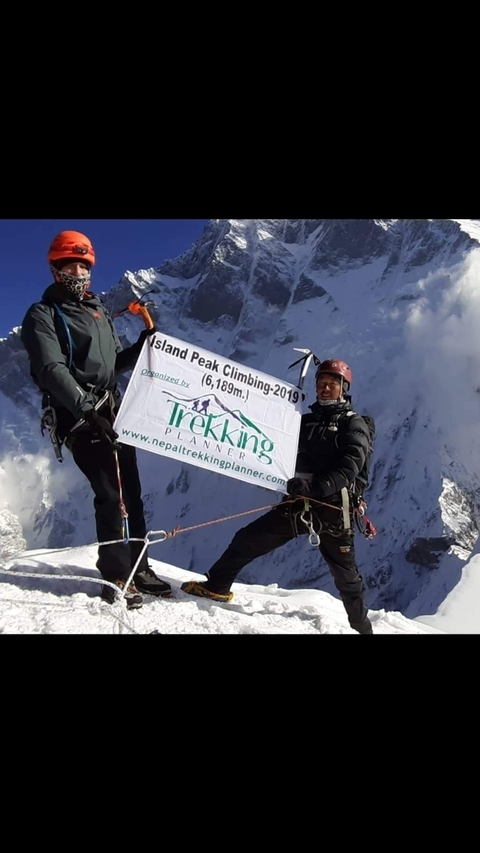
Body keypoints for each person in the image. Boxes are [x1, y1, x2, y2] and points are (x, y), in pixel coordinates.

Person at [20, 230, 171, 609]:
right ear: (56, 269)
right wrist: (85, 409)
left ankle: (139, 567)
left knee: (131, 491)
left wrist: (139, 348)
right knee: (110, 493)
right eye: (70, 266)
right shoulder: (42, 314)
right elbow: (51, 368)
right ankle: (117, 575)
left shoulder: (98, 311)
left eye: (83, 266)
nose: (78, 273)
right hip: (76, 414)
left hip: (113, 411)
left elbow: (111, 366)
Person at [181, 358, 374, 634]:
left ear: (344, 388)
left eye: (332, 383)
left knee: (347, 579)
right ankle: (216, 586)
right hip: (300, 503)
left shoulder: (353, 424)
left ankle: (363, 630)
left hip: (332, 510)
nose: (325, 388)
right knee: (247, 539)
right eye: (321, 383)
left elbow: (349, 467)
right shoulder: (303, 421)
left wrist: (314, 487)